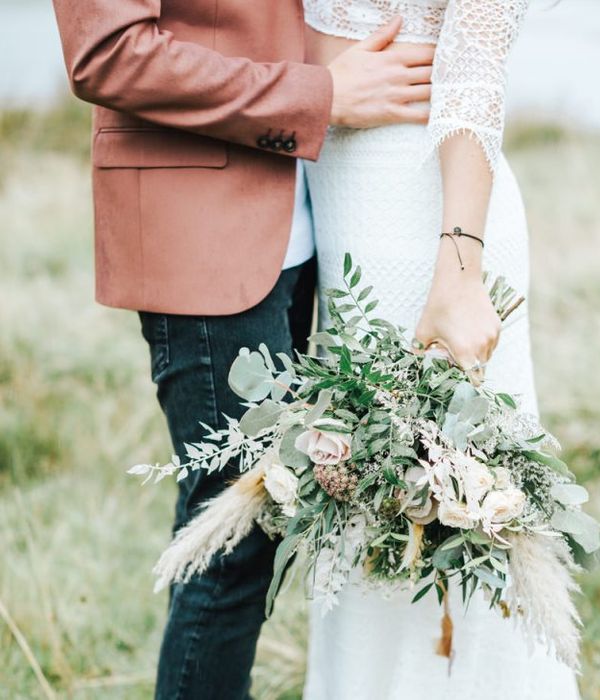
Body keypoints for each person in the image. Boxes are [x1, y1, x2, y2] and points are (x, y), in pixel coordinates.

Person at [50, 1, 434, 698]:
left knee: (238, 524)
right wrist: (321, 95)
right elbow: (108, 53)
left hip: (304, 219)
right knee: (236, 536)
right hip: (201, 228)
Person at [301, 0, 582, 697]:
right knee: (363, 514)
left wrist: (458, 275)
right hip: (339, 217)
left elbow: (474, 72)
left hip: (424, 224)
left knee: (454, 513)